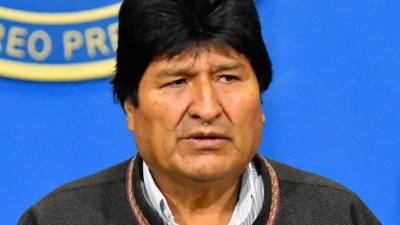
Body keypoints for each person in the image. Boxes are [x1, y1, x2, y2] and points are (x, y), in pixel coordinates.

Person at [19, 0, 382, 224]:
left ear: (262, 100)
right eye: (177, 81)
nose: (207, 109)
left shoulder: (337, 215)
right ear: (130, 106)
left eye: (228, 77)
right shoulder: (58, 219)